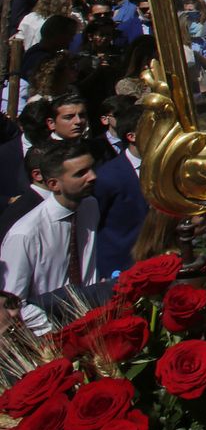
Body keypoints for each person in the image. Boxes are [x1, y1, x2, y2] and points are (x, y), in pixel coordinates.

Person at [0, 139, 100, 333]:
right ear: (54, 184)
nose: (93, 177)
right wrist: (56, 324)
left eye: (91, 168)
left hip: (93, 323)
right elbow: (12, 305)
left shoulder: (90, 207)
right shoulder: (24, 234)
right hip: (50, 336)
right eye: (81, 173)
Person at [92, 96, 147, 276]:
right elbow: (92, 224)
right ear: (132, 136)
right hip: (119, 268)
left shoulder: (166, 170)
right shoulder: (108, 177)